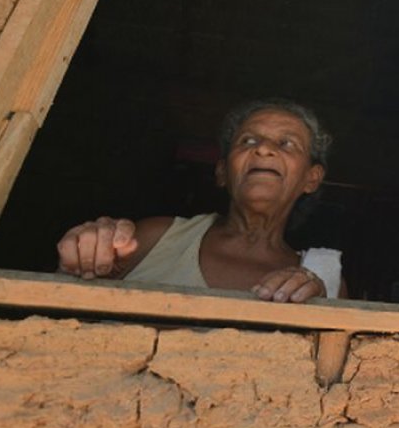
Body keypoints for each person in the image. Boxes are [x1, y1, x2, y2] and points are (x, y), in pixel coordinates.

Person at [56, 98, 343, 303]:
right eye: (248, 141)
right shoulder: (154, 238)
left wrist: (316, 307)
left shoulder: (323, 281)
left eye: (286, 143)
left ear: (311, 178)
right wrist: (84, 260)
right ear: (222, 172)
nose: (264, 149)